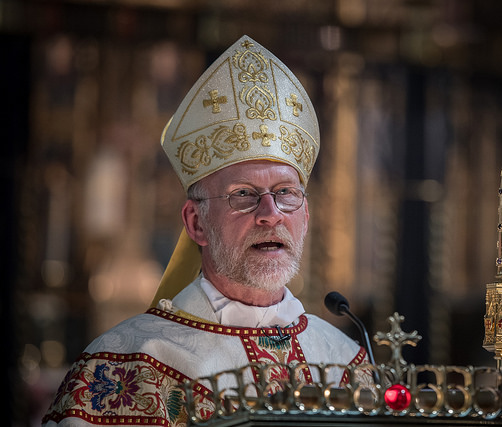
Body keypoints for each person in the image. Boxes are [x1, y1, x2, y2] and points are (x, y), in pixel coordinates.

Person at [42, 35, 370, 426]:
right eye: (243, 195)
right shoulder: (130, 365)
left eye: (286, 193)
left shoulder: (346, 360)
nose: (270, 213)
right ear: (196, 224)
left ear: (306, 215)